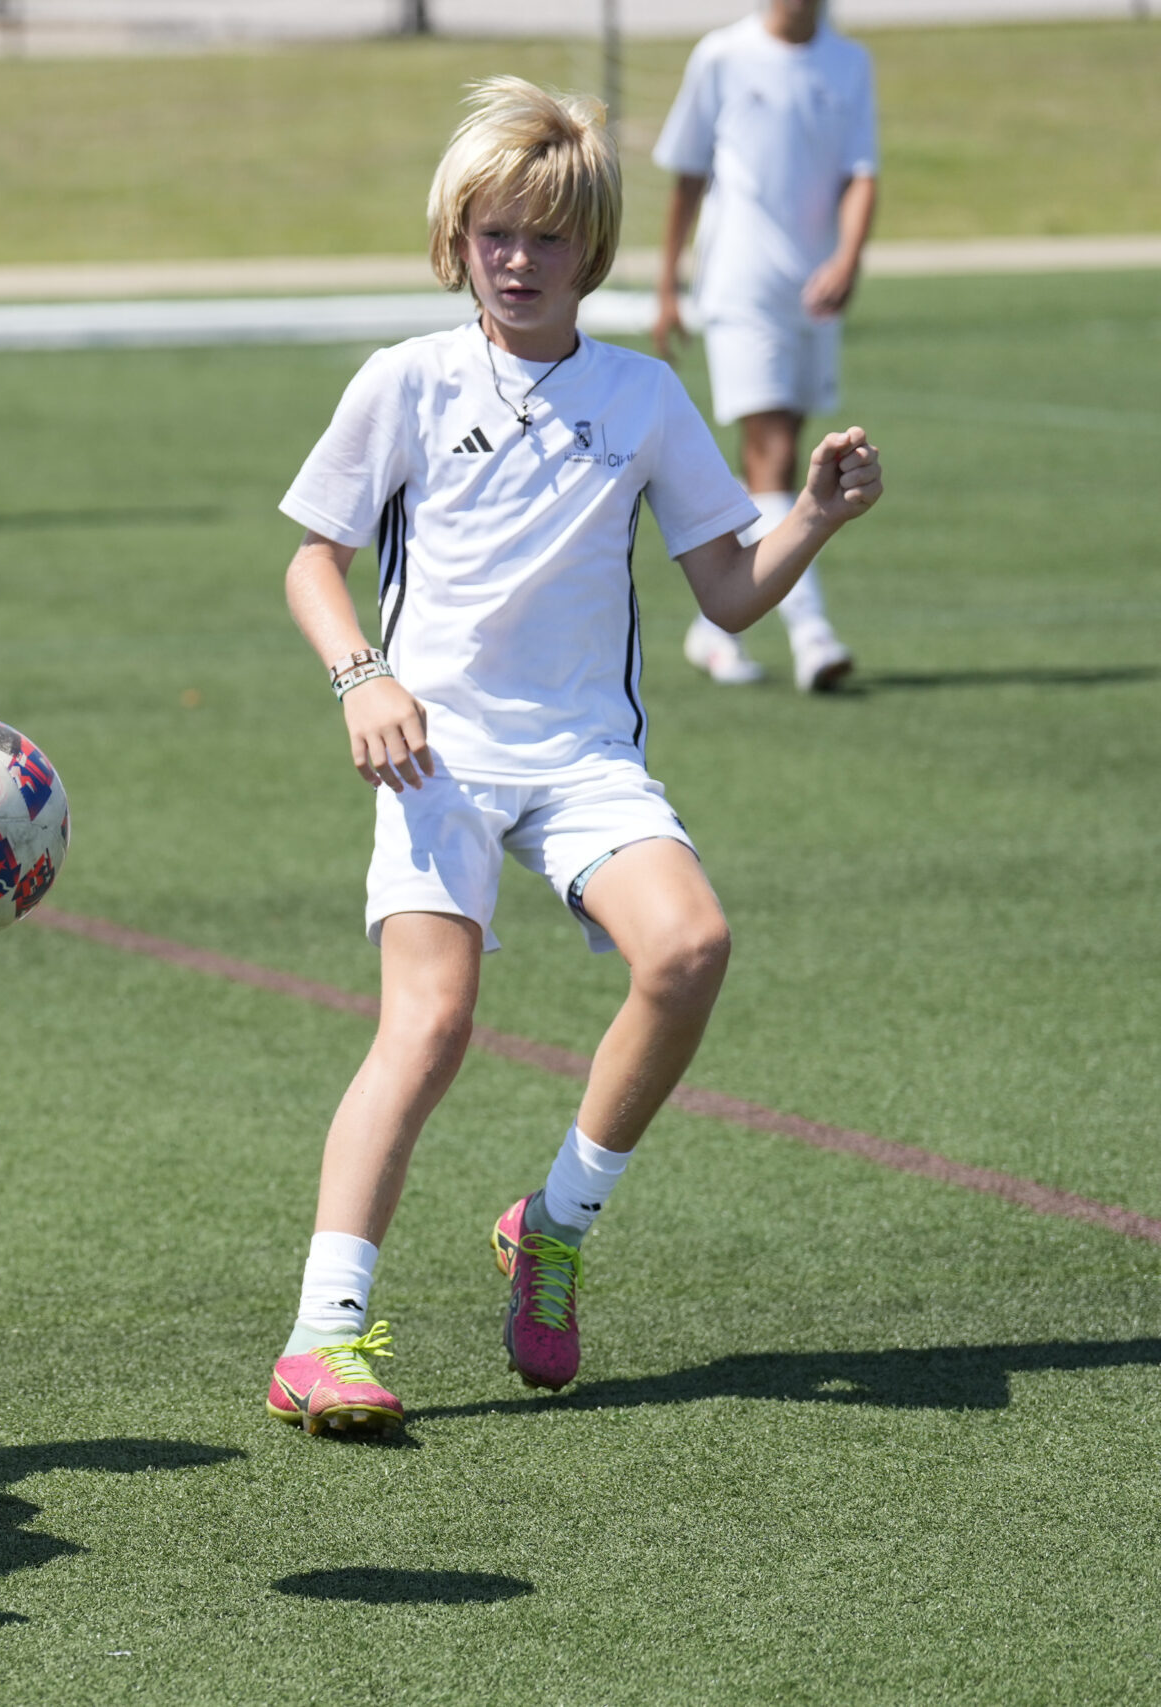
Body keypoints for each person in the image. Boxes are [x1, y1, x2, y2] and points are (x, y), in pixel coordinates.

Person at [264, 79, 881, 1437]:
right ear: (455, 242)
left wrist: (817, 518)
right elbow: (317, 558)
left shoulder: (644, 395)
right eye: (495, 235)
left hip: (584, 756)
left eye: (547, 238)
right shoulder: (407, 381)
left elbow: (727, 587)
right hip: (433, 754)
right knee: (427, 1027)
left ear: (590, 249)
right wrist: (361, 673)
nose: (520, 261)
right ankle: (324, 1334)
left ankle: (553, 1224)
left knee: (691, 947)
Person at [652, 0, 876, 692]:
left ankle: (716, 628)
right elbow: (688, 172)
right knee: (776, 456)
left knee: (775, 464)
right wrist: (669, 284)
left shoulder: (850, 62)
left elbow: (861, 173)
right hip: (739, 287)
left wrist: (847, 257)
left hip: (811, 294)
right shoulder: (721, 55)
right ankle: (813, 634)